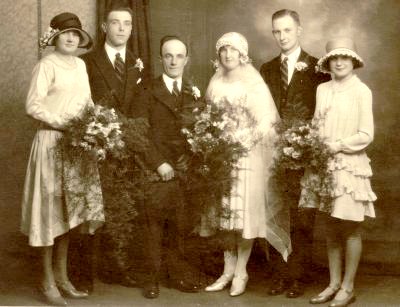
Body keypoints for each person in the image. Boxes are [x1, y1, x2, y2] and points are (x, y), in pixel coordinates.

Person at [20, 12, 104, 306]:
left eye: (76, 34)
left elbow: (87, 102)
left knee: (70, 214)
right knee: (48, 213)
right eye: (65, 33)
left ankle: (63, 276)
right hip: (52, 142)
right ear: (55, 37)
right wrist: (63, 123)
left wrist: (97, 126)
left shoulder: (80, 65)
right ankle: (46, 280)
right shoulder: (46, 65)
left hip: (77, 146)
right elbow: (32, 105)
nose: (71, 38)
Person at [204, 32, 289, 297]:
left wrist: (241, 139)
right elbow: (208, 117)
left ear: (243, 54)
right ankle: (227, 269)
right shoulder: (215, 81)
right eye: (223, 50)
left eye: (233, 50)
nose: (228, 55)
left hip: (246, 155)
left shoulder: (253, 82)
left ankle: (241, 270)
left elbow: (266, 121)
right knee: (224, 215)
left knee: (244, 215)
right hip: (221, 157)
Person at [69, 4, 147, 291]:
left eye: (127, 23)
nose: (122, 28)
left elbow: (140, 108)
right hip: (96, 144)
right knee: (90, 210)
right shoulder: (87, 62)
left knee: (121, 207)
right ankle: (82, 275)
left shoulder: (137, 62)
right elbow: (80, 105)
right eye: (116, 23)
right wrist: (100, 136)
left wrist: (130, 138)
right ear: (104, 27)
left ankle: (116, 268)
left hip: (126, 146)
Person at [259, 9, 330, 298]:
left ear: (299, 30)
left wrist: (307, 144)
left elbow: (324, 113)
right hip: (274, 154)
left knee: (303, 217)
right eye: (277, 31)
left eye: (287, 30)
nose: (282, 36)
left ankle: (297, 276)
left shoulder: (317, 68)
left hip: (305, 153)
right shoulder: (266, 69)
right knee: (276, 213)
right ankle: (278, 275)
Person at [303, 38, 376, 307]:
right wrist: (309, 143)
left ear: (353, 61)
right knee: (331, 228)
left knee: (350, 228)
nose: (340, 62)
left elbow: (366, 134)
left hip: (349, 168)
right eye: (334, 58)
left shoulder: (361, 91)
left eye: (344, 57)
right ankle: (333, 283)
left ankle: (348, 286)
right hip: (324, 166)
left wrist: (337, 146)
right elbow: (316, 124)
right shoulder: (322, 89)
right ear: (328, 62)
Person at [139, 35, 203, 299]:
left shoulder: (193, 92)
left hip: (185, 171)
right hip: (158, 170)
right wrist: (159, 164)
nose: (173, 61)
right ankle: (151, 278)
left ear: (186, 60)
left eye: (179, 56)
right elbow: (139, 133)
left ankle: (177, 275)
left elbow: (201, 132)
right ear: (160, 58)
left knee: (181, 226)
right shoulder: (147, 91)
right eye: (168, 55)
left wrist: (192, 159)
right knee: (154, 226)